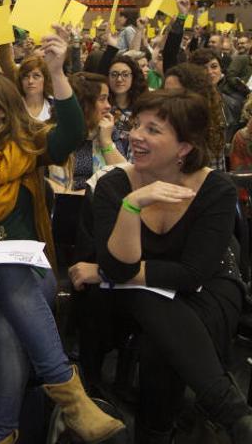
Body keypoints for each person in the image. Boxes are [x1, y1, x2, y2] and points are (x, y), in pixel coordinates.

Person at [0, 26, 124, 443]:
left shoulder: (26, 143)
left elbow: (71, 133)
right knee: (8, 281)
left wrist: (57, 70)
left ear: (2, 108)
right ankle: (71, 398)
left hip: (28, 268)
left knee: (6, 318)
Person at [72, 90, 252, 443]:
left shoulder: (215, 188)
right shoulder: (113, 182)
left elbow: (192, 274)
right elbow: (120, 268)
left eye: (152, 130)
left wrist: (108, 273)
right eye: (137, 125)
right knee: (145, 302)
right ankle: (231, 412)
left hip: (208, 289)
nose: (135, 135)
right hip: (140, 294)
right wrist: (132, 206)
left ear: (184, 148)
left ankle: (156, 432)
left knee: (156, 335)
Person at [48, 72, 125, 192]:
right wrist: (77, 196)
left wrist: (106, 141)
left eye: (108, 99)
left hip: (101, 202)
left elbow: (124, 177)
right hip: (65, 201)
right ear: (84, 104)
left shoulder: (107, 129)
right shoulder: (54, 134)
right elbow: (43, 181)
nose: (109, 106)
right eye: (102, 99)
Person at [163, 63, 227, 171]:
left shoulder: (212, 128)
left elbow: (217, 176)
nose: (169, 99)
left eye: (177, 94)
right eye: (165, 92)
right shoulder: (154, 126)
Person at [107, 56, 147, 157]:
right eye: (114, 74)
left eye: (125, 74)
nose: (119, 79)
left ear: (133, 77)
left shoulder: (144, 107)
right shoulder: (103, 107)